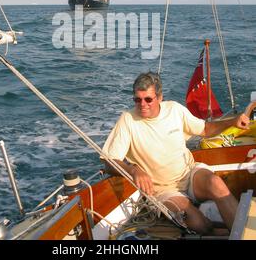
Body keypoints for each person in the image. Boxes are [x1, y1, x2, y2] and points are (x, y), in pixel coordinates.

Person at [102, 72, 250, 234]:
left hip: (189, 174)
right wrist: (133, 170)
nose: (142, 104)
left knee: (217, 184)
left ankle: (245, 234)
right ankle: (218, 230)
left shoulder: (174, 109)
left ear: (159, 98)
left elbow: (205, 129)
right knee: (199, 224)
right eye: (137, 99)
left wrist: (233, 122)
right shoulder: (128, 120)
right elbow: (109, 162)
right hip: (163, 190)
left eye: (148, 99)